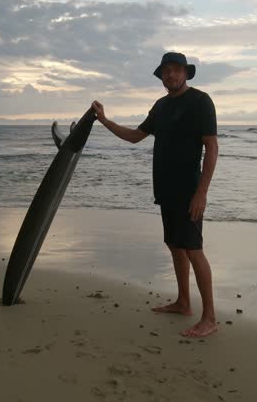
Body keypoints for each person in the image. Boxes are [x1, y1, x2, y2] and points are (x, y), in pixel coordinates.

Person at [91, 52, 219, 338]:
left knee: (193, 249)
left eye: (175, 70)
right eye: (165, 71)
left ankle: (209, 317)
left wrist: (202, 193)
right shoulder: (160, 107)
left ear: (186, 73)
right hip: (165, 188)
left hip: (189, 190)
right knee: (175, 245)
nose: (170, 75)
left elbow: (211, 147)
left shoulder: (200, 101)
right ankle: (184, 302)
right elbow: (136, 136)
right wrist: (104, 120)